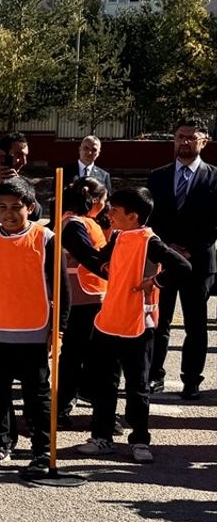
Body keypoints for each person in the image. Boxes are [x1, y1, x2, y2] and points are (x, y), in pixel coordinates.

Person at [70, 188, 190, 464]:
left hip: (138, 323)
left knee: (137, 384)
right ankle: (101, 436)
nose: (109, 214)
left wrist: (156, 282)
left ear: (133, 216)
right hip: (109, 319)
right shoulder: (120, 236)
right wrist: (101, 265)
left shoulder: (150, 241)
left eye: (114, 210)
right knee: (105, 383)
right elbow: (103, 258)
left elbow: (182, 267)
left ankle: (139, 439)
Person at [0, 178, 68, 471]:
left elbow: (62, 289)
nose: (9, 214)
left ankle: (42, 449)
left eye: (16, 207)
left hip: (34, 331)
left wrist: (58, 328)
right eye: (2, 208)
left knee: (36, 396)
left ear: (31, 208)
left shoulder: (46, 238)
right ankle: (0, 445)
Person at [145, 122, 216, 400]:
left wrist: (191, 248)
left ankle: (192, 380)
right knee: (159, 323)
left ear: (204, 142)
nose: (185, 142)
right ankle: (154, 376)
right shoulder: (158, 177)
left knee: (195, 325)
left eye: (191, 138)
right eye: (180, 137)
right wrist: (167, 248)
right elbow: (150, 218)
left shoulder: (214, 177)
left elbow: (214, 223)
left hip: (199, 263)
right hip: (165, 261)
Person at [56, 177, 109, 429]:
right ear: (96, 201)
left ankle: (74, 396)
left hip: (85, 295)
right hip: (82, 296)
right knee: (76, 354)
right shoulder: (75, 224)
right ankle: (62, 405)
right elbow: (90, 258)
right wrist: (116, 272)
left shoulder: (74, 221)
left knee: (79, 353)